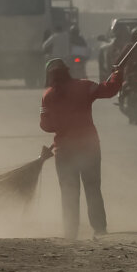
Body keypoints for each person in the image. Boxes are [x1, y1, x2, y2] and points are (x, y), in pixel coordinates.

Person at [40, 58, 123, 240]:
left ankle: (71, 232)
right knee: (93, 188)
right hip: (89, 147)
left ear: (50, 77)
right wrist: (118, 74)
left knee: (69, 191)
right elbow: (109, 90)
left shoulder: (47, 96)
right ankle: (99, 229)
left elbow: (45, 125)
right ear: (67, 71)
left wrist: (62, 124)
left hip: (64, 151)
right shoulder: (84, 86)